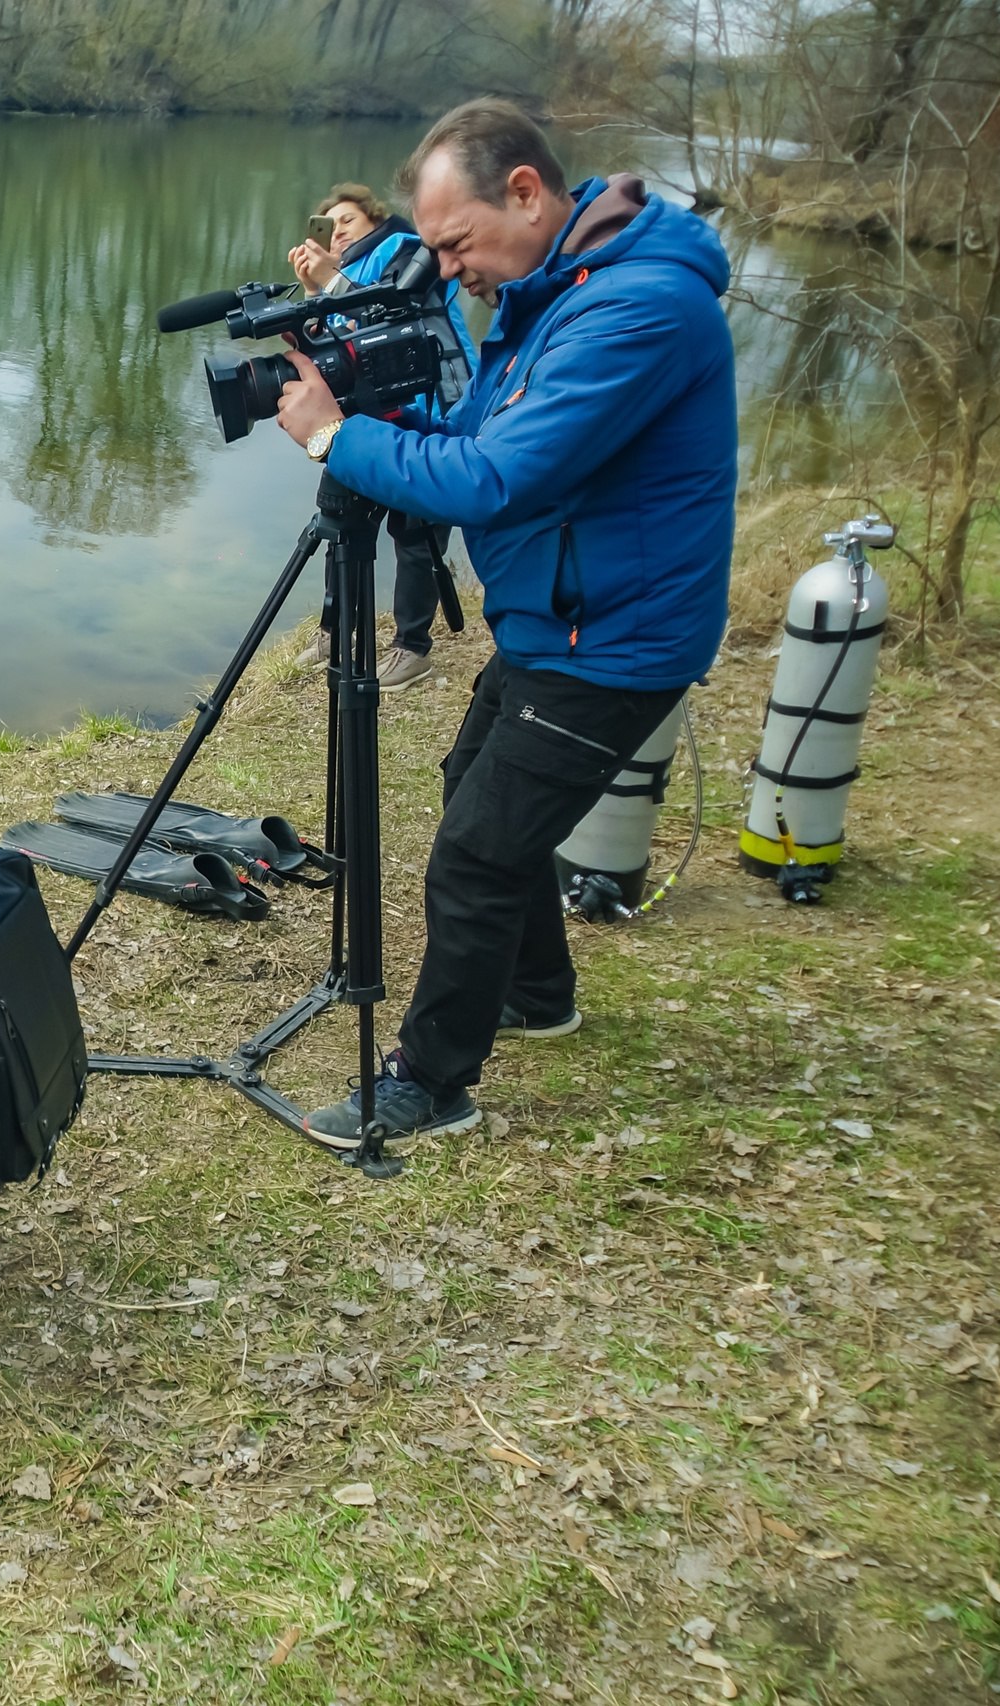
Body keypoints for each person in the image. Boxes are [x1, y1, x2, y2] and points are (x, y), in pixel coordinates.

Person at [271, 100, 735, 1150]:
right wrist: (369, 415)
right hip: (558, 622)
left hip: (611, 644)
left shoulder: (639, 310)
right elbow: (480, 431)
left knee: (474, 855)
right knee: (472, 792)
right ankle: (535, 991)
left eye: (451, 243)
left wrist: (333, 444)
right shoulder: (551, 293)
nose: (444, 269)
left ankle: (429, 1084)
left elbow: (493, 479)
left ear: (524, 192)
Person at [286, 181, 480, 693]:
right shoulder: (337, 274)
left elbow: (392, 312)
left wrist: (332, 278)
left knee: (417, 537)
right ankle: (336, 632)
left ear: (375, 219)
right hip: (368, 421)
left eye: (348, 219)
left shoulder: (406, 249)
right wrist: (311, 294)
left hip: (435, 413)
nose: (339, 230)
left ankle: (412, 648)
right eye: (329, 224)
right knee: (342, 523)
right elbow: (332, 356)